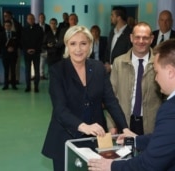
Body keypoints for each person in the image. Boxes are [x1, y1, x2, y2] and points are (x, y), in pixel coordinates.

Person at [88, 39, 175, 171]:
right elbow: (172, 137)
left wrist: (111, 166)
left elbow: (149, 164)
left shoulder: (173, 109)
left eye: (156, 72)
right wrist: (135, 140)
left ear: (170, 72)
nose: (155, 78)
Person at [41, 25, 133, 171]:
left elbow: (110, 101)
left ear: (90, 45)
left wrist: (125, 128)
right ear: (67, 46)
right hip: (65, 138)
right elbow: (60, 109)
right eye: (73, 44)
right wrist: (84, 126)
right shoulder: (57, 70)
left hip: (95, 139)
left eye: (83, 43)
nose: (78, 49)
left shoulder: (98, 68)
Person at [108, 22, 162, 135]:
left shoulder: (160, 63)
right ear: (131, 38)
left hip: (152, 125)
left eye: (145, 38)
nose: (141, 41)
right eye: (137, 37)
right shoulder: (119, 62)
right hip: (124, 123)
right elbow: (111, 96)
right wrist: (112, 124)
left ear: (151, 39)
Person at [104, 6, 132, 73]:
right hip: (109, 73)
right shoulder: (112, 32)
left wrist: (112, 67)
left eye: (112, 15)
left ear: (118, 18)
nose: (111, 17)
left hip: (123, 72)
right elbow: (108, 50)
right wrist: (106, 63)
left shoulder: (130, 33)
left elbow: (129, 55)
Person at [21, 14, 43, 93]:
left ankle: (36, 86)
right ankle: (28, 86)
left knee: (37, 70)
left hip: (36, 52)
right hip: (27, 53)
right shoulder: (24, 29)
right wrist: (27, 49)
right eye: (29, 19)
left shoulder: (39, 29)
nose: (31, 20)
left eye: (32, 19)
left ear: (34, 20)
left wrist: (35, 49)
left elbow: (41, 41)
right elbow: (22, 41)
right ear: (27, 20)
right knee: (27, 70)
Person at [3, 10, 22, 84]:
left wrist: (18, 45)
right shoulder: (2, 25)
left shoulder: (17, 24)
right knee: (8, 64)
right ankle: (9, 79)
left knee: (17, 64)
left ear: (10, 16)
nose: (5, 17)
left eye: (6, 15)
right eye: (4, 16)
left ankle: (16, 79)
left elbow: (20, 35)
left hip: (16, 47)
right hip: (6, 49)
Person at [0, 20, 19, 90]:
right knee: (6, 70)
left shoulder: (15, 34)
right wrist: (6, 49)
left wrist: (13, 48)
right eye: (6, 25)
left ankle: (13, 85)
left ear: (11, 26)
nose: (7, 27)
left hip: (13, 55)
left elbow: (18, 43)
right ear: (4, 26)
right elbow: (0, 45)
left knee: (13, 70)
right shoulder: (1, 34)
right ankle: (6, 85)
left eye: (9, 25)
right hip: (5, 55)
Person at [38, 13, 51, 80]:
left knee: (48, 62)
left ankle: (47, 74)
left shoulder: (48, 27)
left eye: (43, 17)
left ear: (45, 18)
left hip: (47, 47)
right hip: (39, 47)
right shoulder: (36, 26)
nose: (42, 19)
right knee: (41, 63)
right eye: (41, 17)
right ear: (38, 18)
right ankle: (41, 75)